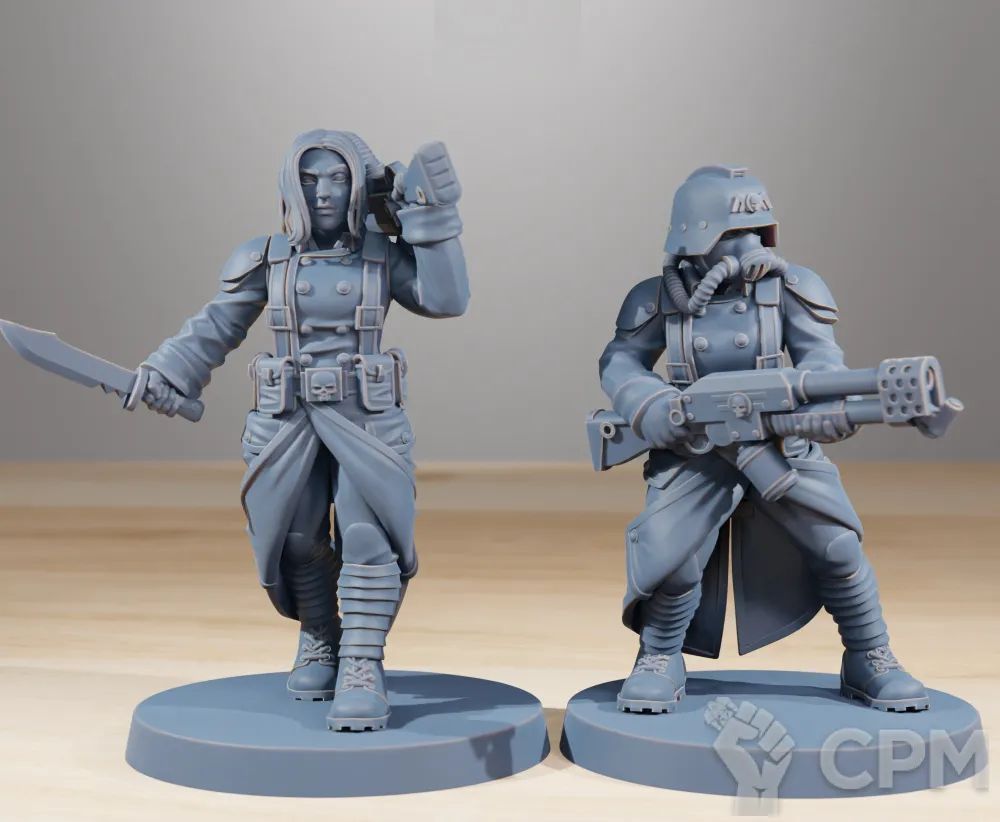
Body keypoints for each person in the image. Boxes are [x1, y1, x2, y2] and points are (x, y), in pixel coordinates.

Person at [140, 129, 469, 731]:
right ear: (291, 185)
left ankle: (363, 663)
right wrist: (168, 372)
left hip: (365, 418)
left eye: (338, 178)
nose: (323, 192)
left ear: (358, 185)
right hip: (287, 420)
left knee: (367, 535)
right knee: (293, 535)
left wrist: (430, 218)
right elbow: (216, 325)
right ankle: (320, 634)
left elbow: (446, 299)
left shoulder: (380, 256)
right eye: (310, 178)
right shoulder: (265, 258)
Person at [598, 165, 928, 714]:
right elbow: (621, 361)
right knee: (674, 560)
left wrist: (825, 412)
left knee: (837, 546)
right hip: (696, 449)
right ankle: (658, 656)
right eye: (732, 233)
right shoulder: (657, 297)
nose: (748, 245)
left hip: (778, 442)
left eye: (756, 230)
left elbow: (822, 361)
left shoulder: (791, 287)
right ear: (694, 233)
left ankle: (870, 654)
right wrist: (650, 405)